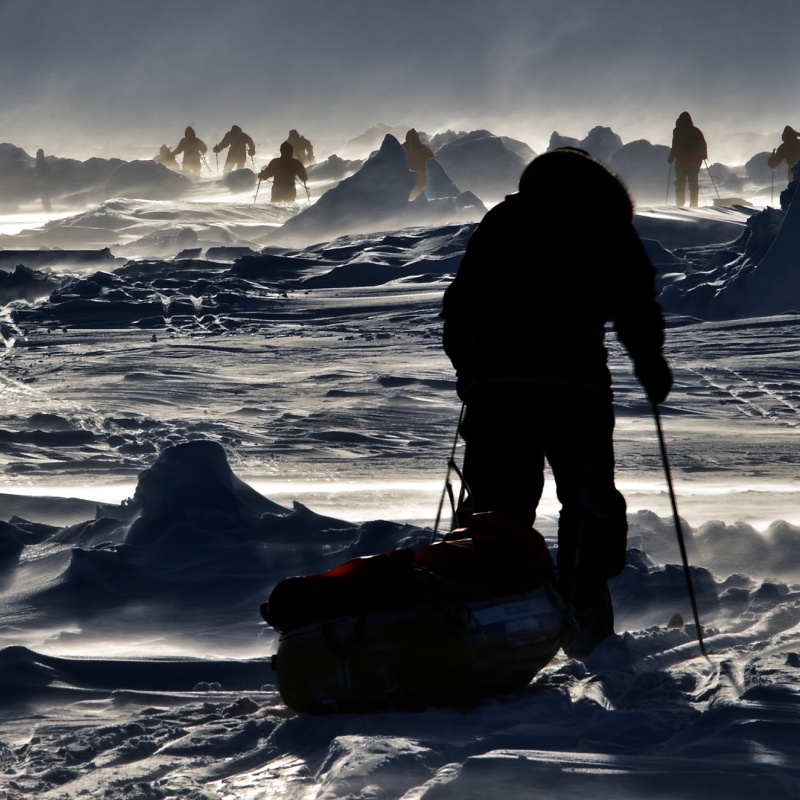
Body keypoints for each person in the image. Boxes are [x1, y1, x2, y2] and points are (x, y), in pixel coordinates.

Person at [440, 148, 672, 659]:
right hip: (575, 390)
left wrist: (470, 372)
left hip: (498, 390)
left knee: (498, 505)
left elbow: (460, 304)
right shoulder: (604, 223)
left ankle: (487, 613)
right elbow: (636, 300)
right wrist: (650, 363)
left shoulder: (502, 221)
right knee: (589, 501)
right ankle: (584, 614)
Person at [668, 112, 707, 207]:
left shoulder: (677, 131)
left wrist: (671, 157)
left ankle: (680, 205)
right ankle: (694, 205)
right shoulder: (696, 131)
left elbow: (675, 145)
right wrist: (704, 155)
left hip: (681, 162)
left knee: (680, 183)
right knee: (693, 183)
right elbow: (703, 144)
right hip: (694, 162)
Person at [403, 128, 434, 200]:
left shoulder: (422, 148)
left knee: (419, 193)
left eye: (415, 138)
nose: (413, 140)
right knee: (412, 193)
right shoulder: (403, 148)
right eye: (412, 138)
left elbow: (431, 161)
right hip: (411, 176)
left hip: (421, 175)